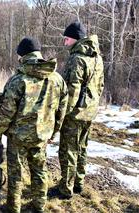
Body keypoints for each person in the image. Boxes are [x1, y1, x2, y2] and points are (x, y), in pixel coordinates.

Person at [0, 37, 68, 213]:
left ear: (22, 55)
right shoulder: (57, 79)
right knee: (40, 170)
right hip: (42, 135)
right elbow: (62, 110)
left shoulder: (18, 80)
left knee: (16, 175)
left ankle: (13, 208)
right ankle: (39, 206)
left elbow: (5, 113)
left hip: (18, 138)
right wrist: (53, 132)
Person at [56, 21, 104, 199]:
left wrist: (62, 114)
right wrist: (92, 105)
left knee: (68, 150)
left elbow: (72, 91)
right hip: (89, 111)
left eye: (67, 39)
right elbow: (100, 85)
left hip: (75, 114)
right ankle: (78, 183)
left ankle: (65, 190)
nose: (65, 42)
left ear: (75, 39)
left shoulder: (77, 58)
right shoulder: (97, 57)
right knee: (82, 148)